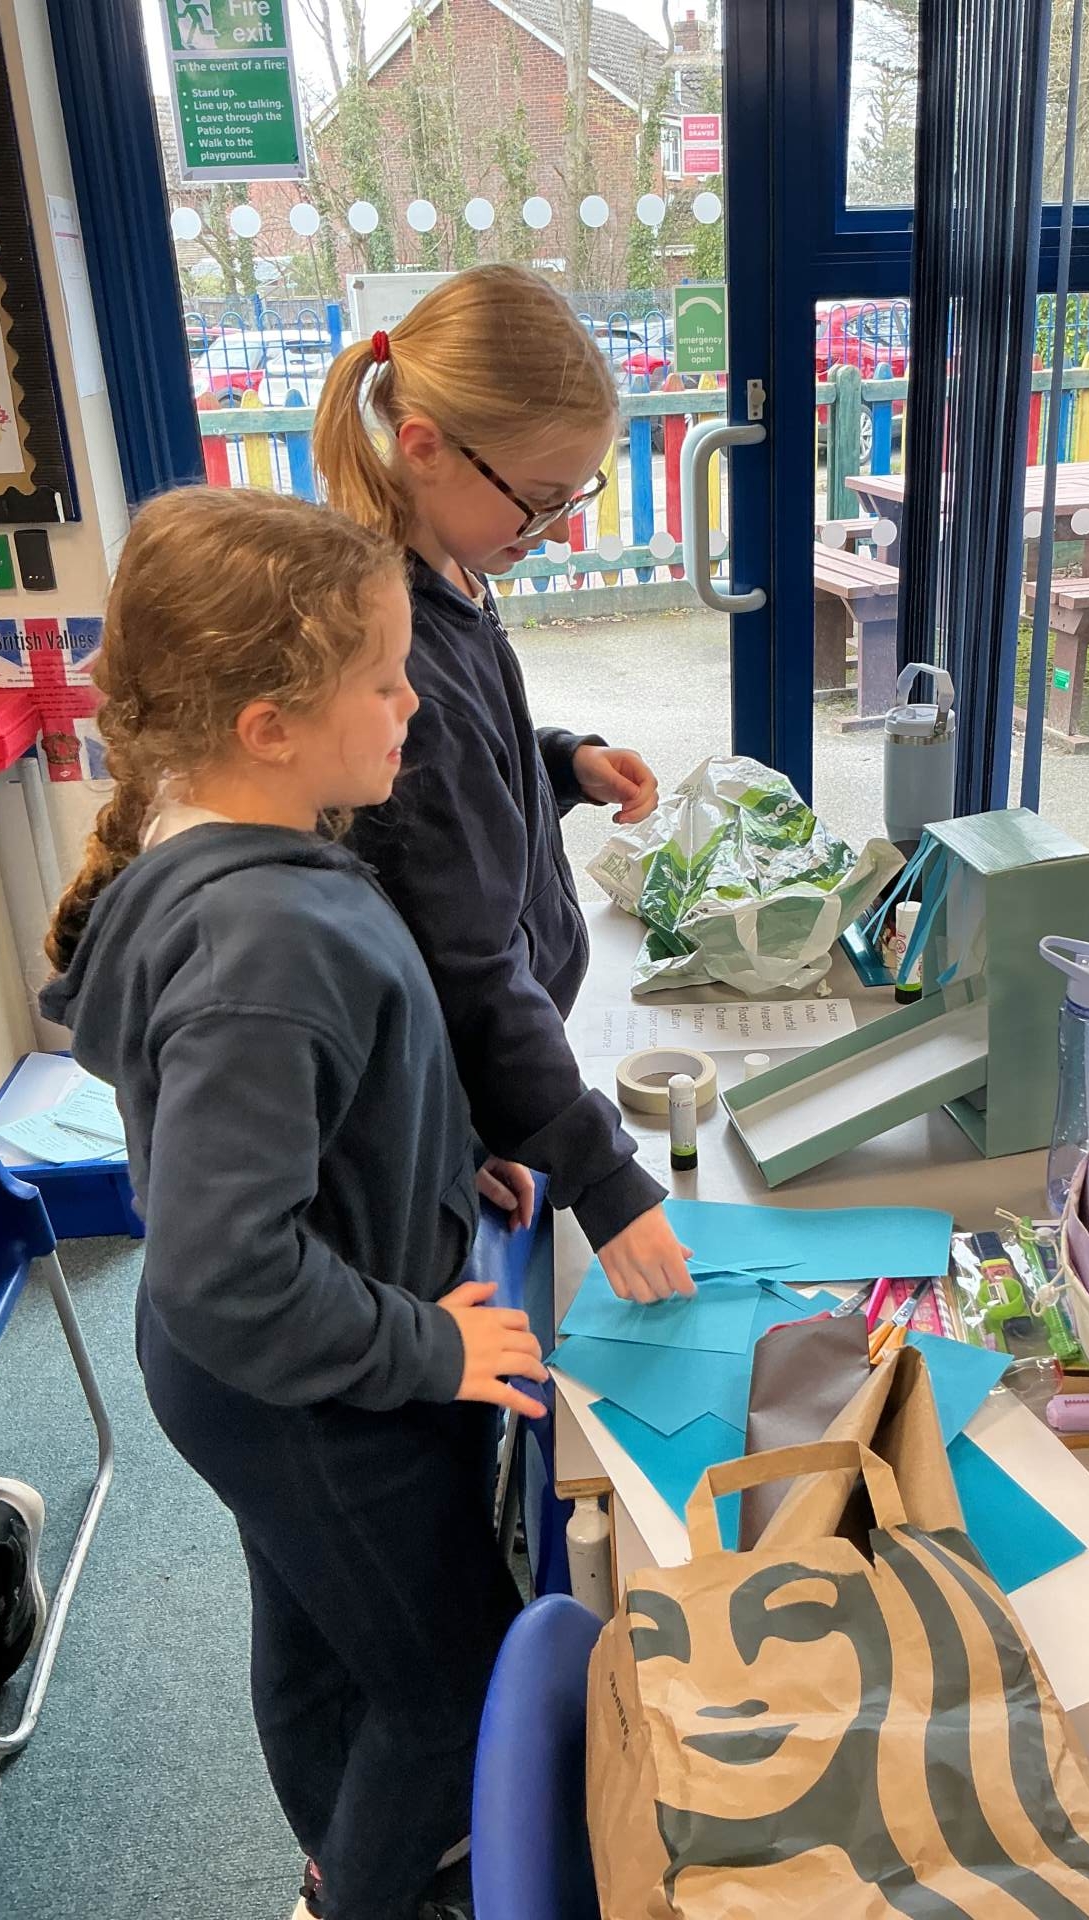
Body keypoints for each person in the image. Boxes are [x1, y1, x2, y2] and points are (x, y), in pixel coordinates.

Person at [40, 487, 546, 1920]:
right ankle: (357, 1895)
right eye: (382, 682)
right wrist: (430, 1347)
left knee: (323, 1624)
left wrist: (438, 1156)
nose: (412, 704)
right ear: (268, 726)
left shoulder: (248, 854)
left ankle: (344, 1841)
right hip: (304, 1386)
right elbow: (231, 1271)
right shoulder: (260, 937)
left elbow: (322, 1105)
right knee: (453, 1681)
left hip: (272, 1368)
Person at [313, 265, 694, 1307]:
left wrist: (561, 761)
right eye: (542, 498)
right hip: (426, 1095)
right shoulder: (398, 645)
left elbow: (475, 774)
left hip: (467, 1091)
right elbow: (469, 968)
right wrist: (605, 1180)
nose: (561, 526)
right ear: (425, 445)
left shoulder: (452, 578)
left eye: (577, 495)